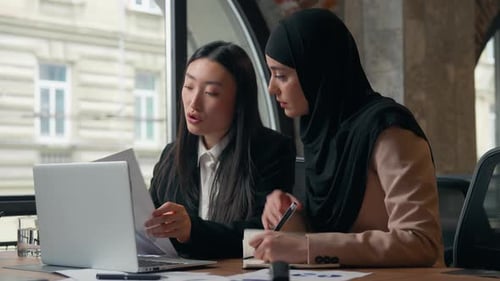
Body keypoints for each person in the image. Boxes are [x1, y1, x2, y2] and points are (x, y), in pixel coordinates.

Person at [249, 9, 444, 267]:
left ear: (316, 71)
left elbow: (420, 242)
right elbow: (331, 231)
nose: (272, 88)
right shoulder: (320, 135)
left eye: (282, 75)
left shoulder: (389, 132)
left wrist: (306, 247)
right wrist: (290, 214)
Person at [144, 41, 295, 259]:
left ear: (239, 101)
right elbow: (150, 226)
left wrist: (191, 230)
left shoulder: (272, 151)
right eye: (188, 86)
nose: (193, 102)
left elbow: (261, 235)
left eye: (211, 92)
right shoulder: (171, 155)